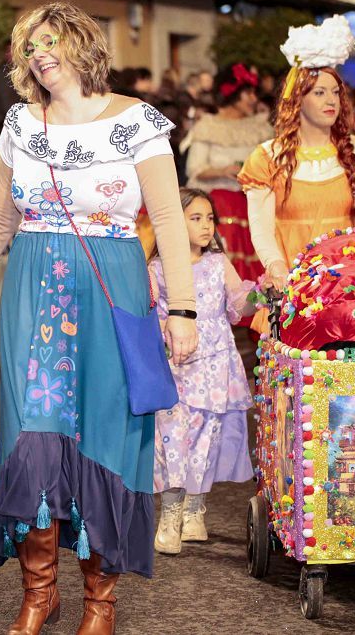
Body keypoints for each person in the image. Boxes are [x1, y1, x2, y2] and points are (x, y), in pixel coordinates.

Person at [0, 2, 196, 635]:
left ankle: (100, 602)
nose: (38, 54)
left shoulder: (136, 123)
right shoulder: (21, 125)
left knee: (105, 438)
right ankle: (39, 593)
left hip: (112, 293)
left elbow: (169, 220)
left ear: (81, 45)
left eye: (49, 41)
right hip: (33, 297)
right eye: (28, 47)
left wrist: (181, 308)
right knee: (33, 437)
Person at [238, 16, 355, 325]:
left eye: (335, 92)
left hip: (352, 286)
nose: (330, 100)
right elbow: (262, 230)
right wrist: (277, 268)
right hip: (295, 288)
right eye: (319, 93)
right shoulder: (267, 157)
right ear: (297, 99)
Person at [148, 188, 255, 555]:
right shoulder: (157, 268)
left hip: (215, 365)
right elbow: (152, 315)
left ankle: (195, 511)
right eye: (196, 218)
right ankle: (169, 515)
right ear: (173, 223)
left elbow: (239, 302)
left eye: (210, 218)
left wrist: (260, 293)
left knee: (206, 438)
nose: (206, 226)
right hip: (176, 363)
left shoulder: (218, 262)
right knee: (173, 439)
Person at [184, 63, 273, 285]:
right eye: (248, 93)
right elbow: (195, 169)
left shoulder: (260, 126)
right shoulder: (209, 125)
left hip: (253, 204)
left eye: (254, 93)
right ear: (232, 93)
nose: (253, 98)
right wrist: (223, 171)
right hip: (220, 207)